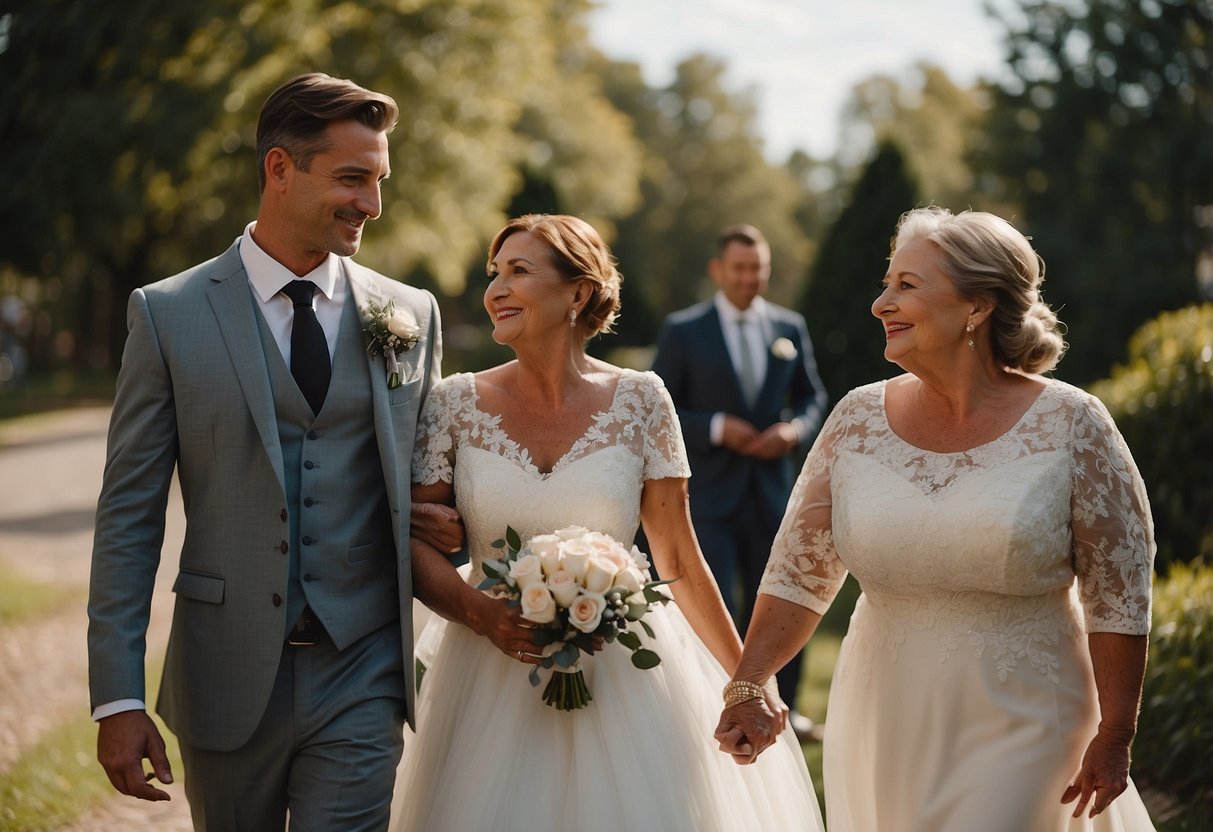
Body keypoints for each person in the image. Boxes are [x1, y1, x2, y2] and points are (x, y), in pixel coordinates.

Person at [87, 73, 454, 830]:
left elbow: (434, 478)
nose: (372, 204)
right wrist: (118, 697)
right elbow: (129, 516)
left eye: (379, 180)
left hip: (365, 667)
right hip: (225, 669)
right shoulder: (167, 314)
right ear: (279, 169)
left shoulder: (409, 313)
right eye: (352, 178)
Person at [715, 206, 1158, 831]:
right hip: (885, 714)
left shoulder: (1072, 425)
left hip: (1028, 716)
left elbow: (1119, 595)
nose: (879, 305)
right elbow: (799, 572)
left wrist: (1116, 733)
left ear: (976, 306)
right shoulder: (855, 420)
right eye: (886, 283)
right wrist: (751, 682)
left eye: (906, 286)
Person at [391, 214, 823, 831]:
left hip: (624, 668)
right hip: (488, 668)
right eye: (494, 273)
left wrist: (750, 681)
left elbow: (677, 559)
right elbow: (417, 541)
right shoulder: (454, 402)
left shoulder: (642, 400)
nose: (495, 289)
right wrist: (478, 613)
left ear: (578, 292)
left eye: (518, 271)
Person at [651, 224, 827, 737]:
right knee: (715, 603)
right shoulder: (684, 330)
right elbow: (661, 412)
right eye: (741, 268)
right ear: (718, 270)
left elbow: (813, 398)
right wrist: (716, 427)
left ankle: (786, 710)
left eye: (759, 269)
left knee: (782, 599)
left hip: (773, 491)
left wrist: (794, 431)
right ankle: (711, 703)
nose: (751, 278)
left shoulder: (789, 327)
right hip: (708, 494)